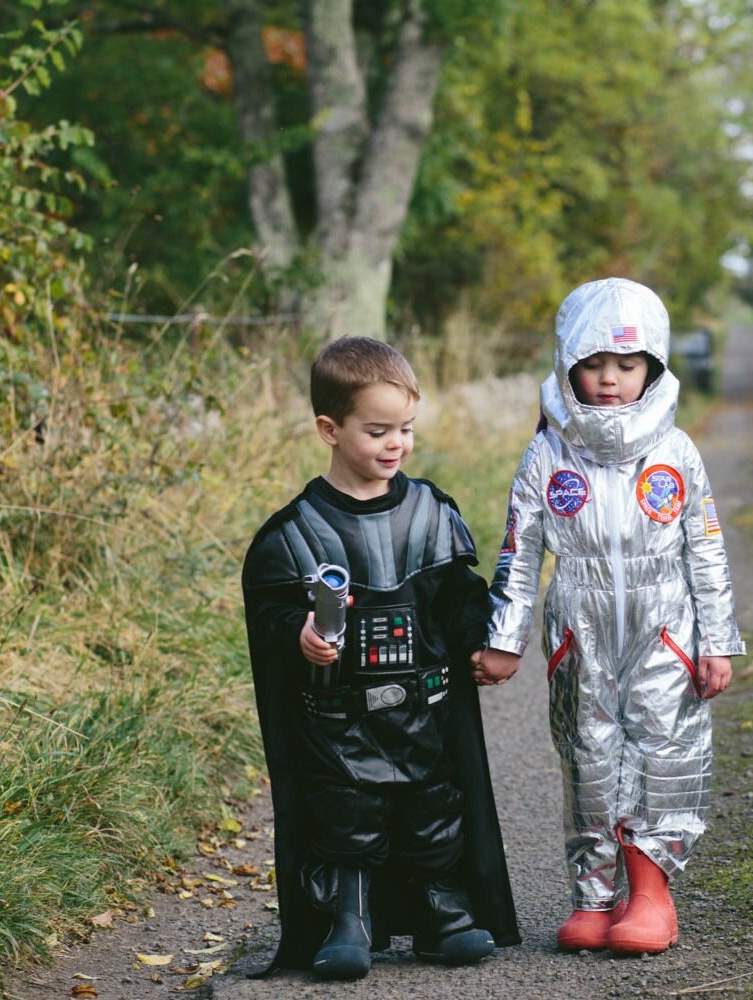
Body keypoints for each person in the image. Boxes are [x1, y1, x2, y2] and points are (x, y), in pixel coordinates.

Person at [475, 277, 745, 956]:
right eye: (593, 365)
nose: (609, 380)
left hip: (665, 625)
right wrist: (504, 638)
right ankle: (594, 898)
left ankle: (651, 893)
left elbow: (706, 548)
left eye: (627, 366)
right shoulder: (548, 454)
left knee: (664, 748)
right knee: (588, 757)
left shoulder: (676, 452)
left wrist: (716, 639)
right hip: (580, 625)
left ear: (652, 367)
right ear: (568, 367)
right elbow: (519, 550)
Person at [242, 336, 520, 980]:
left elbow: (459, 598)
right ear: (329, 430)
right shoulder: (295, 533)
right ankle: (348, 919)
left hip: (424, 711)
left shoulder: (431, 513)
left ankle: (440, 914)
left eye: (406, 429)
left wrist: (481, 640)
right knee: (348, 816)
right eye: (377, 430)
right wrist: (300, 636)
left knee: (433, 810)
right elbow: (274, 617)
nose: (395, 444)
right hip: (336, 721)